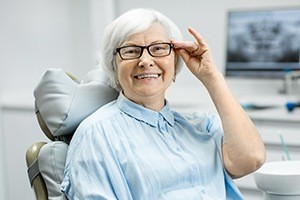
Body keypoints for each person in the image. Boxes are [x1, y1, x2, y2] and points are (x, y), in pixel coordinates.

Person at [61, 8, 266, 200]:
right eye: (131, 51)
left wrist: (211, 77)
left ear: (175, 62)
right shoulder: (96, 135)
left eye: (158, 48)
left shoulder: (200, 126)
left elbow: (251, 159)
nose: (146, 60)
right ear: (114, 65)